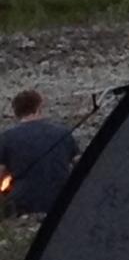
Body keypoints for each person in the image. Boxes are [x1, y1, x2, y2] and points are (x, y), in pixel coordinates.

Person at [1, 89, 79, 218]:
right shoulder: (62, 133)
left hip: (23, 204)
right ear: (39, 107)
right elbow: (80, 163)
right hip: (60, 201)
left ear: (16, 112)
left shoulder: (6, 138)